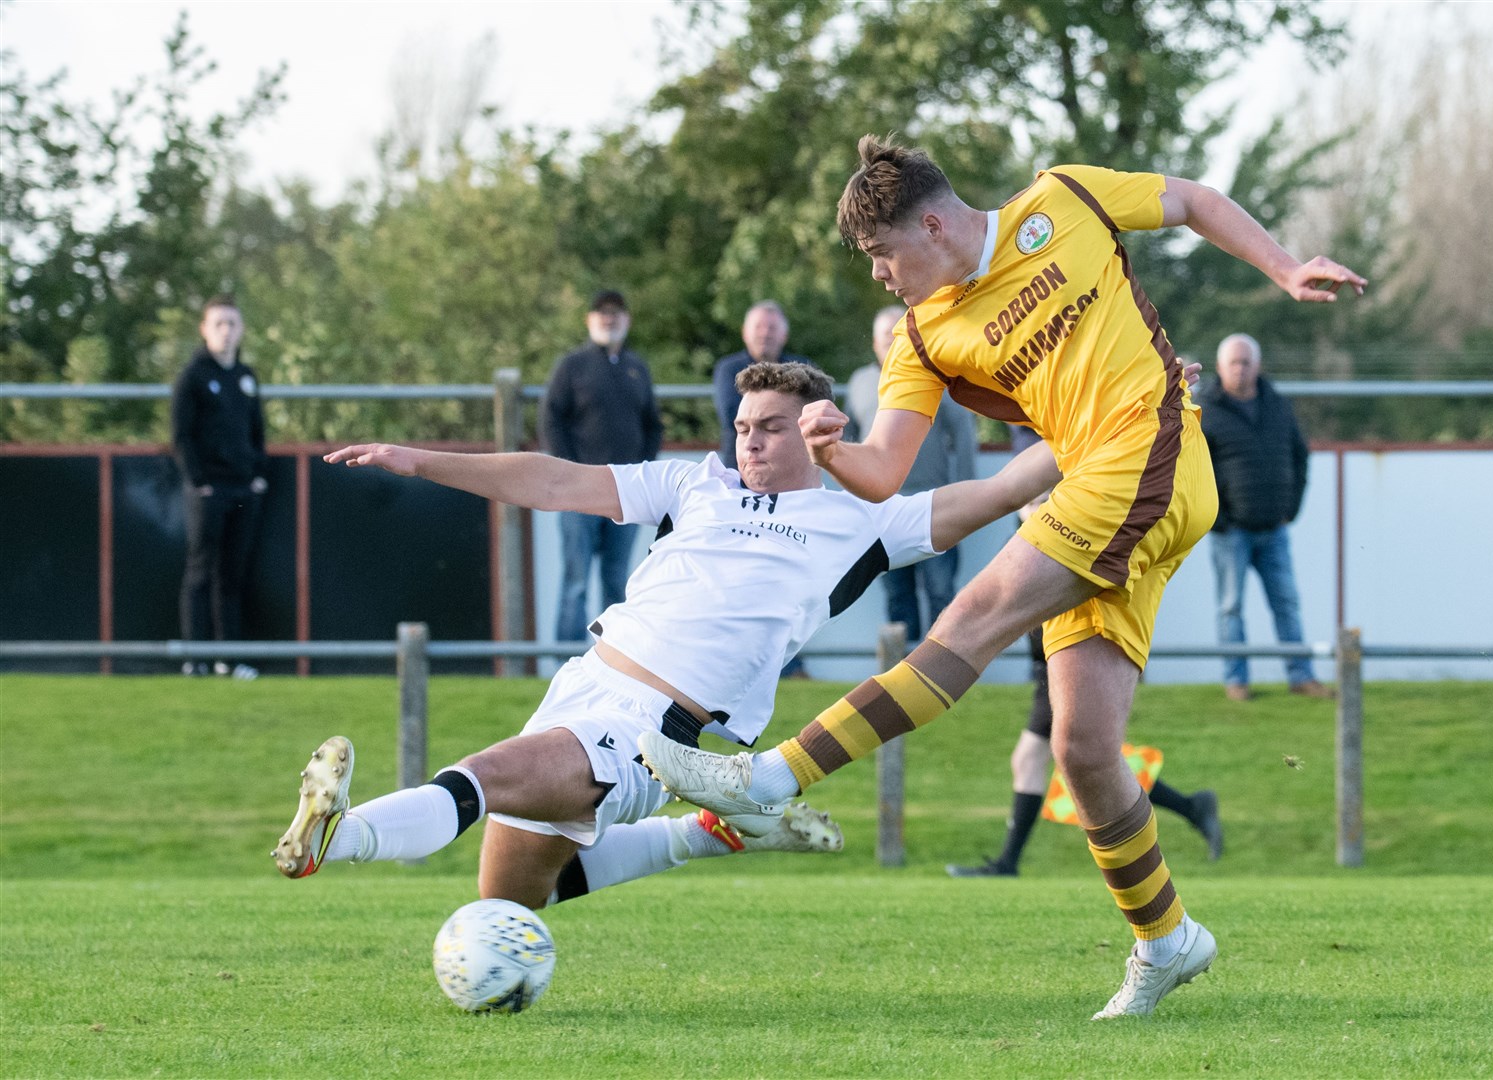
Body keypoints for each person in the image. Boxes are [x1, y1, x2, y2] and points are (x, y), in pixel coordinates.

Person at [638, 134, 1365, 1020]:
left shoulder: (1064, 199)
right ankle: (1166, 939)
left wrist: (1283, 268)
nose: (877, 276)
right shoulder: (923, 338)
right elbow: (886, 473)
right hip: (1108, 493)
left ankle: (771, 779)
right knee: (1084, 749)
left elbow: (1195, 200)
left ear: (934, 225)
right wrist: (833, 449)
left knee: (972, 618)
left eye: (880, 255)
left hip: (1150, 456)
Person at [275, 362, 1067, 916]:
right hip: (583, 685)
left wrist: (1127, 406)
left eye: (770, 428)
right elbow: (551, 480)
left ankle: (339, 837)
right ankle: (706, 832)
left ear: (819, 434)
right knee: (509, 899)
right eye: (742, 425)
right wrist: (422, 462)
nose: (749, 441)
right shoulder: (694, 483)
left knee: (485, 777)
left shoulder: (865, 524)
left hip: (656, 729)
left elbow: (1005, 485)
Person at [946, 627, 1223, 877]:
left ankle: (1190, 809)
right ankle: (1191, 808)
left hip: (1068, 659)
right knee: (1043, 759)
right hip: (1055, 662)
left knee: (1082, 760)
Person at [1199, 333, 1331, 701]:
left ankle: (1301, 677)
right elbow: (1191, 470)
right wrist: (1218, 518)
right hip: (1230, 532)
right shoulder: (1204, 412)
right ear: (1220, 368)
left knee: (1286, 603)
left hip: (1274, 529)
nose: (1240, 369)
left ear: (1257, 366)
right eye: (1233, 363)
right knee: (1231, 607)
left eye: (1246, 362)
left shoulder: (1278, 407)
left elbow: (1300, 456)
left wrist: (1291, 508)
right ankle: (1236, 681)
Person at [848, 305, 978, 644]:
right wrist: (855, 500)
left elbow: (963, 432)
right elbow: (849, 443)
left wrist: (967, 493)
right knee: (897, 595)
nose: (891, 345)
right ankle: (901, 676)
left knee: (941, 591)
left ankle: (944, 667)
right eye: (884, 339)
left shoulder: (935, 373)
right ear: (874, 344)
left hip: (935, 504)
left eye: (897, 336)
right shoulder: (861, 383)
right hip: (881, 510)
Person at [546, 289, 662, 642]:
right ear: (589, 320)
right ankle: (564, 658)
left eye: (616, 313)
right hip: (578, 491)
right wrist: (568, 471)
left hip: (624, 493)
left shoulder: (636, 367)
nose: (609, 319)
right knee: (576, 579)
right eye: (602, 313)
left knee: (618, 579)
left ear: (627, 320)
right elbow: (551, 419)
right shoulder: (572, 366)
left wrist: (644, 472)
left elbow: (652, 424)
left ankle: (614, 659)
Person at [171, 294, 267, 680]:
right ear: (205, 329)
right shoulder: (192, 376)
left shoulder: (246, 377)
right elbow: (181, 435)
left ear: (241, 329)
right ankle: (195, 658)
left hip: (244, 489)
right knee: (200, 572)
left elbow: (257, 433)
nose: (226, 332)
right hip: (208, 491)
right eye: (219, 324)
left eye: (232, 324)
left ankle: (229, 658)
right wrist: (199, 482)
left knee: (232, 574)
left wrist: (258, 476)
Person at [711, 301, 812, 471]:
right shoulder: (728, 369)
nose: (765, 333)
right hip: (742, 470)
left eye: (772, 328)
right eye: (758, 327)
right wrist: (784, 421)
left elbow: (812, 413)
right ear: (745, 332)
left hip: (793, 470)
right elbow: (732, 416)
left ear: (784, 335)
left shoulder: (803, 367)